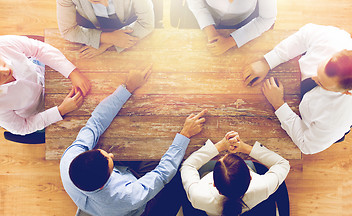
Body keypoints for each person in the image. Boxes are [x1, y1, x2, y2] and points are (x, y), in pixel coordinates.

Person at [60, 64, 207, 216]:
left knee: (153, 155)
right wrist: (185, 134)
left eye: (104, 154)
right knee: (177, 175)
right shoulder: (127, 197)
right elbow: (162, 174)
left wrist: (127, 87)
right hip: (139, 209)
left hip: (115, 189)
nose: (111, 155)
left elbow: (95, 122)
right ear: (105, 185)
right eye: (110, 162)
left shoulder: (69, 159)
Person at [243, 23, 352, 154]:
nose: (314, 78)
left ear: (347, 92)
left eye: (322, 83)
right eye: (319, 69)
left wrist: (278, 104)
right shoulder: (334, 38)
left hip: (325, 129)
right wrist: (268, 61)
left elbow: (306, 145)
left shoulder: (336, 120)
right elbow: (304, 36)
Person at [0, 35, 90, 140]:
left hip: (42, 72)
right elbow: (22, 127)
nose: (6, 71)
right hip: (39, 112)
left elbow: (39, 49)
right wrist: (61, 111)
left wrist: (72, 72)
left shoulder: (3, 44)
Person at [180, 131, 290, 216]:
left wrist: (220, 146)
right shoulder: (263, 187)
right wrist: (245, 148)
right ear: (250, 177)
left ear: (214, 184)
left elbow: (188, 166)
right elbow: (283, 164)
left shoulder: (198, 196)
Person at [56, 0, 155, 58]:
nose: (105, 4)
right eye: (95, 1)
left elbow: (146, 23)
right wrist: (109, 37)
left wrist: (105, 44)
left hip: (129, 17)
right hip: (91, 22)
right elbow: (68, 31)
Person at [185, 0, 276, 55]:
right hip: (204, 14)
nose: (230, 1)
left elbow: (267, 18)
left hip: (244, 22)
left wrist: (231, 41)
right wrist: (209, 30)